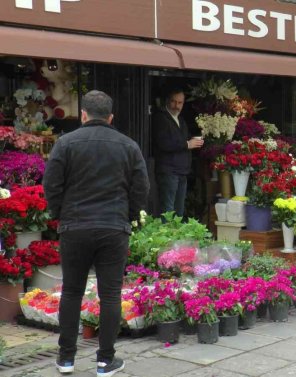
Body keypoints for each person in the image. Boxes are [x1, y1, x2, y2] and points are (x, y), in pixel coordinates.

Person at [43, 91, 150, 376]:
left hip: (74, 226)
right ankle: (105, 360)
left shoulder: (65, 143)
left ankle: (66, 358)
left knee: (72, 291)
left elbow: (51, 185)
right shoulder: (128, 146)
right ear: (111, 117)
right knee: (111, 295)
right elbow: (141, 188)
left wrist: (59, 215)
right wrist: (128, 216)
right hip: (113, 227)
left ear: (83, 115)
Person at [152, 88, 203, 217]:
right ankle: (165, 236)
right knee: (168, 210)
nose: (176, 105)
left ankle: (175, 236)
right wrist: (187, 144)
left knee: (178, 211)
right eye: (174, 102)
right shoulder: (161, 118)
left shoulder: (180, 119)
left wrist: (193, 141)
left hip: (181, 170)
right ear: (167, 101)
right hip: (169, 170)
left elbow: (182, 140)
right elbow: (164, 143)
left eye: (180, 102)